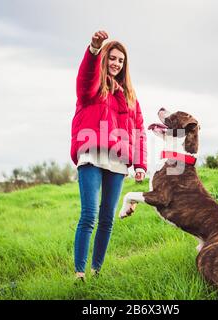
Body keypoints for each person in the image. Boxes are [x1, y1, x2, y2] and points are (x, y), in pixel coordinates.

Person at [70, 30, 147, 281]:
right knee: (89, 214)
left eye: (120, 60)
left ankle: (96, 271)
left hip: (117, 161)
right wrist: (93, 49)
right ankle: (79, 274)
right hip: (91, 154)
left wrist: (140, 163)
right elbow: (86, 78)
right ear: (104, 58)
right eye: (112, 58)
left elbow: (138, 131)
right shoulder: (92, 88)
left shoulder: (130, 96)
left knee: (107, 219)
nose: (116, 63)